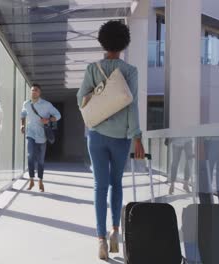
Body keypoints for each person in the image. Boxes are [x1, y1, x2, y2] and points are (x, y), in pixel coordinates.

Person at [77, 20, 145, 260]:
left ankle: (101, 241)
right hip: (120, 138)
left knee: (100, 186)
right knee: (117, 184)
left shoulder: (92, 69)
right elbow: (132, 106)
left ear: (102, 42)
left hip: (95, 135)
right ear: (124, 43)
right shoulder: (130, 71)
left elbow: (80, 100)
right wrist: (137, 137)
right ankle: (116, 231)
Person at [20, 84, 61, 192]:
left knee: (41, 160)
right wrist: (22, 125)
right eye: (32, 90)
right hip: (30, 133)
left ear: (40, 92)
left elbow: (58, 115)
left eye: (36, 90)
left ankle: (40, 180)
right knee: (30, 155)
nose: (33, 92)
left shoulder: (47, 105)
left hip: (42, 135)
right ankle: (31, 179)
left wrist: (48, 120)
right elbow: (23, 114)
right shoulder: (26, 103)